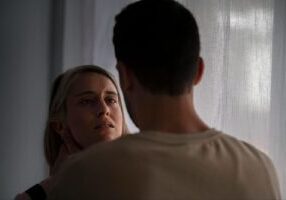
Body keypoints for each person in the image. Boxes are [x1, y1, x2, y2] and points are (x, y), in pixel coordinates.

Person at [48, 0, 281, 199]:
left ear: (125, 77)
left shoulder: (85, 175)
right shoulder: (258, 168)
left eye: (111, 98)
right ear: (199, 71)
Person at [15, 65, 128, 200]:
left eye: (111, 100)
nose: (104, 109)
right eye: (86, 101)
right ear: (59, 125)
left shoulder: (147, 177)